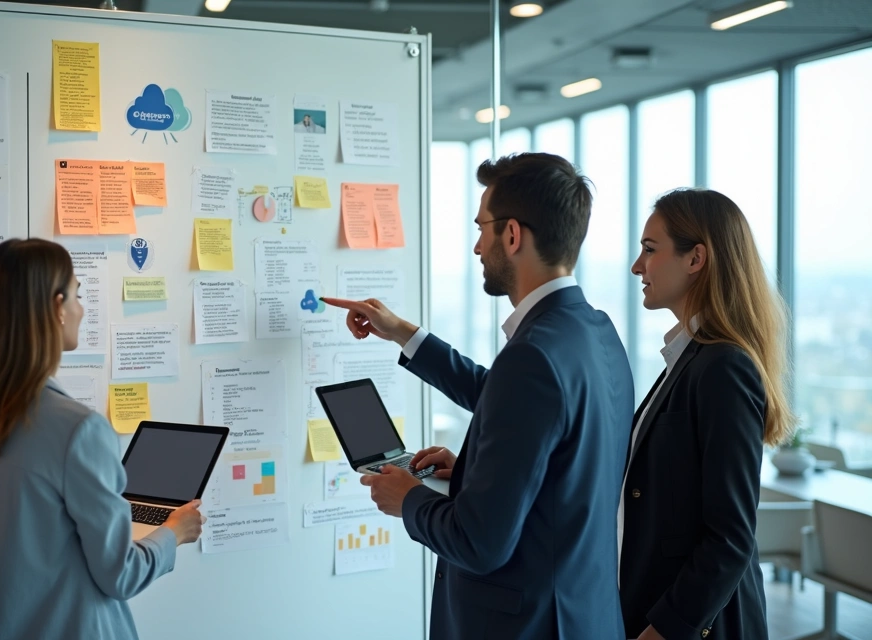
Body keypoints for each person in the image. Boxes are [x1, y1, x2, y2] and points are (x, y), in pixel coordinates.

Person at [323, 152, 633, 639]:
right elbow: (522, 417)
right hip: (584, 614)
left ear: (512, 235)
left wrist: (408, 498)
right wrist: (405, 334)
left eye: (482, 228)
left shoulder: (533, 356)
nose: (476, 246)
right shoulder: (596, 332)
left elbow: (479, 544)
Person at [0, 239, 204, 640]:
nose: (82, 308)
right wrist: (174, 531)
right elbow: (121, 575)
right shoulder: (79, 430)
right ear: (57, 308)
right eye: (78, 295)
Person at [621, 189, 791, 640]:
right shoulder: (690, 360)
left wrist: (664, 630)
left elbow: (730, 538)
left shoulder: (723, 367)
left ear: (696, 258)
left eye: (650, 250)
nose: (637, 266)